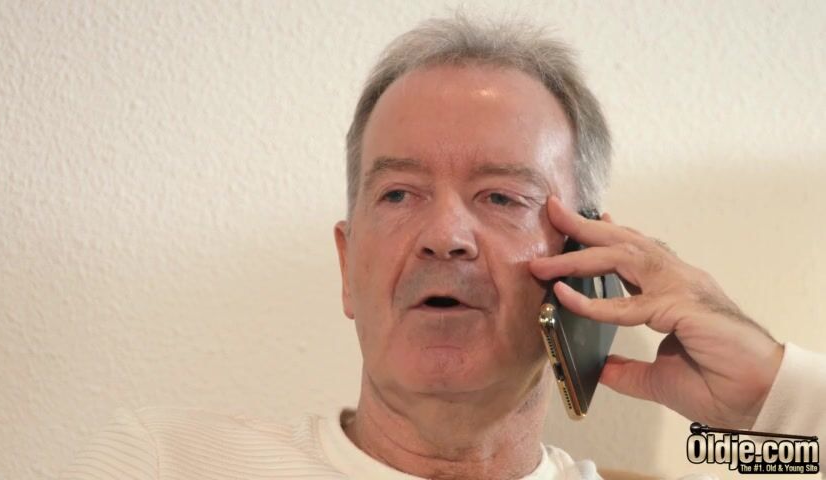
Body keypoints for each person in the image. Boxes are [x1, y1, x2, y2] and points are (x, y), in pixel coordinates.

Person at [59, 15, 825, 480]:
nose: (444, 236)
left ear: (590, 260)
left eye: (502, 196)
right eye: (399, 194)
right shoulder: (163, 459)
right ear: (347, 267)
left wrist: (772, 392)